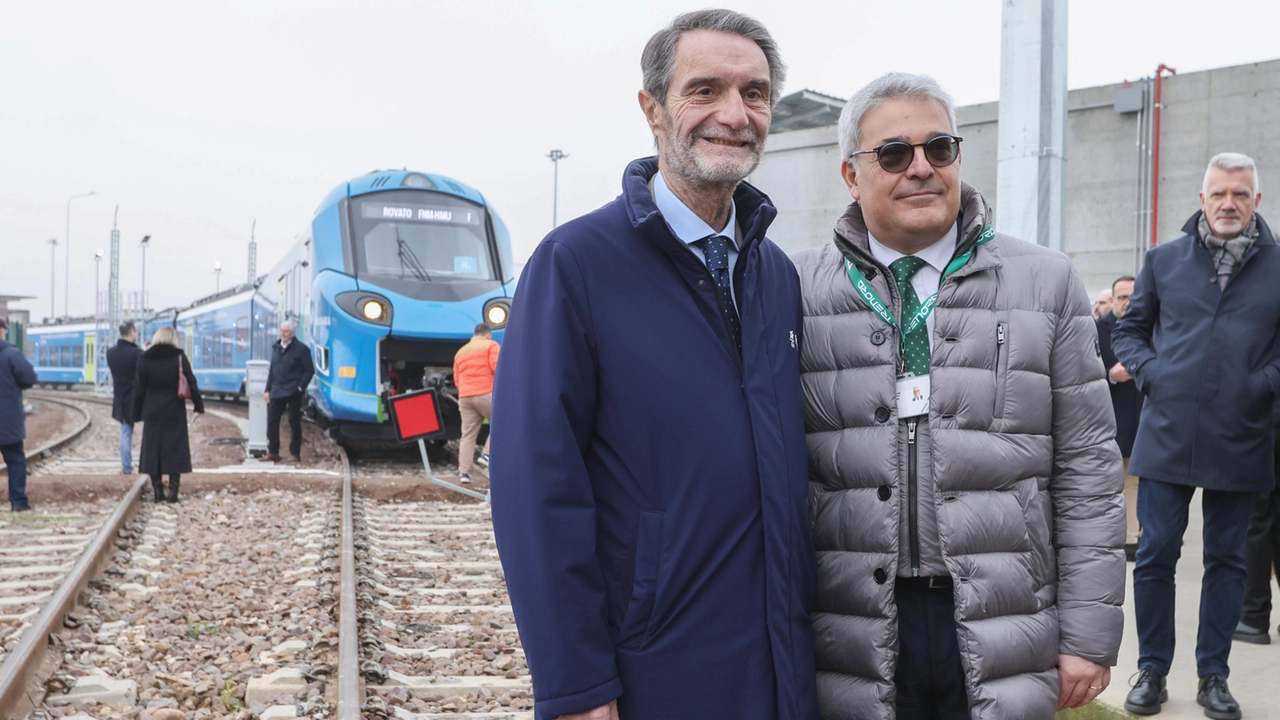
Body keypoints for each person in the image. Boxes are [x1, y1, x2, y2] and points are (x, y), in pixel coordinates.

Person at [489, 9, 817, 720]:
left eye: (754, 94)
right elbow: (534, 488)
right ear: (652, 109)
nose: (734, 114)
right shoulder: (575, 266)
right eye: (705, 90)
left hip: (780, 667)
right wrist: (575, 684)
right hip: (654, 669)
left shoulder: (776, 277)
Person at [794, 72, 1125, 719]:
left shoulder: (1043, 281)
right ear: (851, 174)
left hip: (1003, 612)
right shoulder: (800, 289)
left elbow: (1088, 466)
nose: (920, 167)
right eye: (894, 153)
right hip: (850, 621)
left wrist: (1088, 632)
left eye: (938, 148)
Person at [1115, 151, 1280, 719]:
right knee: (1156, 554)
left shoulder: (1279, 267)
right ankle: (1153, 671)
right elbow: (1130, 332)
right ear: (1201, 199)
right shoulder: (1164, 260)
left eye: (1239, 194)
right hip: (1167, 432)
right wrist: (1154, 375)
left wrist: (1263, 384)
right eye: (1218, 194)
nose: (1228, 203)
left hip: (1243, 433)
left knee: (1227, 560)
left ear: (1256, 200)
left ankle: (1214, 675)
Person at [1097, 275, 1142, 560]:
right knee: (1118, 481)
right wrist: (1109, 375)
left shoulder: (1150, 326)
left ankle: (1135, 537)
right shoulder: (1097, 329)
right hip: (1112, 417)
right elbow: (1079, 369)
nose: (1127, 302)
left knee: (1138, 481)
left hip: (1146, 417)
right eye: (1121, 297)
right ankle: (1122, 538)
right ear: (1112, 299)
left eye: (1132, 297)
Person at [132, 326, 203, 503]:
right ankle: (173, 492)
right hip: (174, 409)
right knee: (175, 448)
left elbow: (139, 389)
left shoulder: (145, 358)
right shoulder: (179, 357)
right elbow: (191, 382)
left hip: (153, 409)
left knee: (152, 449)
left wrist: (135, 413)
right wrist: (198, 406)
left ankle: (157, 490)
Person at [452, 323, 498, 484]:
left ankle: (464, 473)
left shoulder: (461, 352)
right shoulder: (490, 346)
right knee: (501, 423)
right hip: (486, 392)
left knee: (468, 435)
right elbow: (497, 368)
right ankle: (486, 454)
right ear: (487, 334)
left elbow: (456, 379)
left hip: (465, 396)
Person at [0, 317, 37, 512]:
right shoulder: (12, 354)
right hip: (7, 421)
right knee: (15, 460)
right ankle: (18, 501)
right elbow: (29, 378)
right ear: (3, 330)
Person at [263, 321, 313, 463]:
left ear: (292, 334)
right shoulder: (276, 348)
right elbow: (272, 371)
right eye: (281, 331)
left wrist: (300, 388)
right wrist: (267, 389)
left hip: (293, 391)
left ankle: (295, 453)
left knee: (294, 422)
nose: (283, 334)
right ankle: (273, 451)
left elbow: (309, 370)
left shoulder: (301, 349)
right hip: (277, 390)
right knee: (272, 420)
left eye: (285, 331)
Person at [105, 320, 143, 475]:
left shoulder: (110, 353)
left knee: (125, 432)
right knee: (143, 431)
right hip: (136, 398)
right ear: (132, 332)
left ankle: (126, 467)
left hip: (120, 398)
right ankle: (146, 464)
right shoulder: (138, 354)